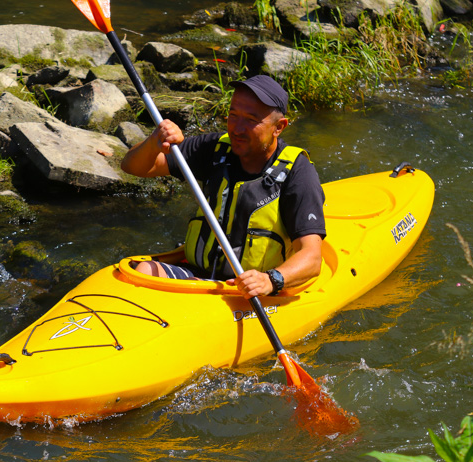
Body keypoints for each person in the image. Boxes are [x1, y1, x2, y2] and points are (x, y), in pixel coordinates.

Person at [120, 75, 325, 299]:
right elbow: (133, 166)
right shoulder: (215, 149)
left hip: (250, 291)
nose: (237, 128)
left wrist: (270, 280)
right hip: (197, 276)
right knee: (145, 270)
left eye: (251, 120)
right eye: (234, 114)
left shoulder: (297, 172)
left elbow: (312, 258)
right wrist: (154, 142)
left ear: (279, 127)